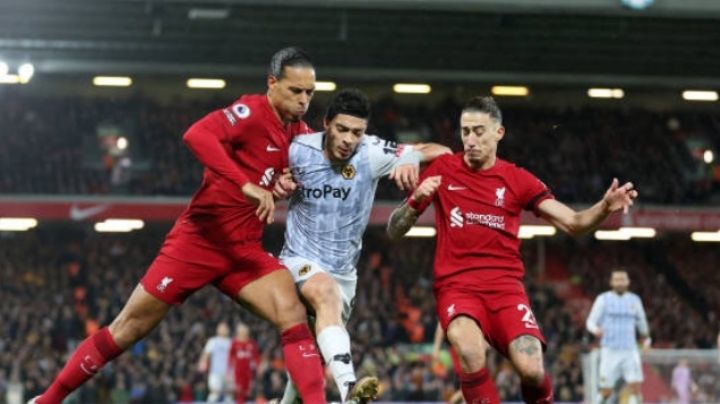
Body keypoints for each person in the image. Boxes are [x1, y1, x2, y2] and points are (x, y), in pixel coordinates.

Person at [30, 47, 327, 404]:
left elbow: (325, 158)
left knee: (293, 314)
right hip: (198, 241)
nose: (303, 100)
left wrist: (279, 184)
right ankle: (47, 400)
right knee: (128, 329)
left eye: (310, 92)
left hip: (243, 251)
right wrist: (246, 185)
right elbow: (197, 136)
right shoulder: (250, 112)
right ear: (272, 83)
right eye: (296, 91)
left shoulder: (299, 132)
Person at [386, 95, 639, 404]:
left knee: (531, 369)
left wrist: (603, 207)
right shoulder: (443, 169)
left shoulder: (517, 179)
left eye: (479, 131)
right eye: (465, 131)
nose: (470, 140)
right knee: (468, 350)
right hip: (457, 288)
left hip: (506, 290)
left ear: (498, 133)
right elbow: (394, 230)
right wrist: (414, 202)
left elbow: (573, 222)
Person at [274, 88, 451, 403]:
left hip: (344, 275)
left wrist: (409, 156)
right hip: (296, 262)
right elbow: (258, 170)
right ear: (327, 123)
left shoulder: (371, 152)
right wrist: (274, 183)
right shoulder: (298, 149)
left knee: (310, 359)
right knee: (323, 292)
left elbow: (442, 151)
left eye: (356, 132)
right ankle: (349, 390)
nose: (348, 139)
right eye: (341, 129)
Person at [586, 270, 651, 404]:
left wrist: (646, 339)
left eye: (623, 279)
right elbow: (590, 322)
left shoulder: (635, 300)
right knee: (606, 390)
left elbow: (642, 322)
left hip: (630, 350)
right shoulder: (603, 299)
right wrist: (595, 329)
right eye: (617, 280)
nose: (620, 282)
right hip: (609, 350)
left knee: (635, 387)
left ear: (628, 282)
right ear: (611, 282)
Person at [198, 322, 233, 402]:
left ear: (228, 330)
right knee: (215, 393)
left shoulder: (231, 342)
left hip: (229, 373)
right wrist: (203, 363)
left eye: (225, 328)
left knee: (229, 395)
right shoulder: (213, 341)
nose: (223, 330)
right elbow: (206, 353)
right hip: (215, 372)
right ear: (217, 330)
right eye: (221, 328)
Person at [228, 323, 261, 404]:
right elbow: (230, 357)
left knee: (248, 392)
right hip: (238, 372)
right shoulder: (234, 343)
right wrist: (229, 370)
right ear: (238, 333)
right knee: (239, 392)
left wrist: (259, 367)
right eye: (241, 332)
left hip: (248, 372)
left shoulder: (252, 343)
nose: (243, 334)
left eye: (244, 332)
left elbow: (256, 357)